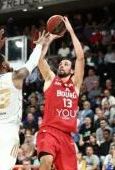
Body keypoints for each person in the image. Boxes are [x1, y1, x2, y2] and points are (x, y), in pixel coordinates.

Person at [0, 29, 48, 170]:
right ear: (4, 65)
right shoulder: (15, 77)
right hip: (8, 132)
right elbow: (32, 62)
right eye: (6, 61)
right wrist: (39, 45)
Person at [37, 17, 85, 170]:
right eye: (61, 63)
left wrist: (70, 31)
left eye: (66, 64)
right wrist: (50, 39)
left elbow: (80, 57)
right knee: (46, 161)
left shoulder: (75, 84)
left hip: (66, 136)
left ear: (72, 71)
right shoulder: (51, 80)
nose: (62, 65)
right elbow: (40, 60)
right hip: (49, 130)